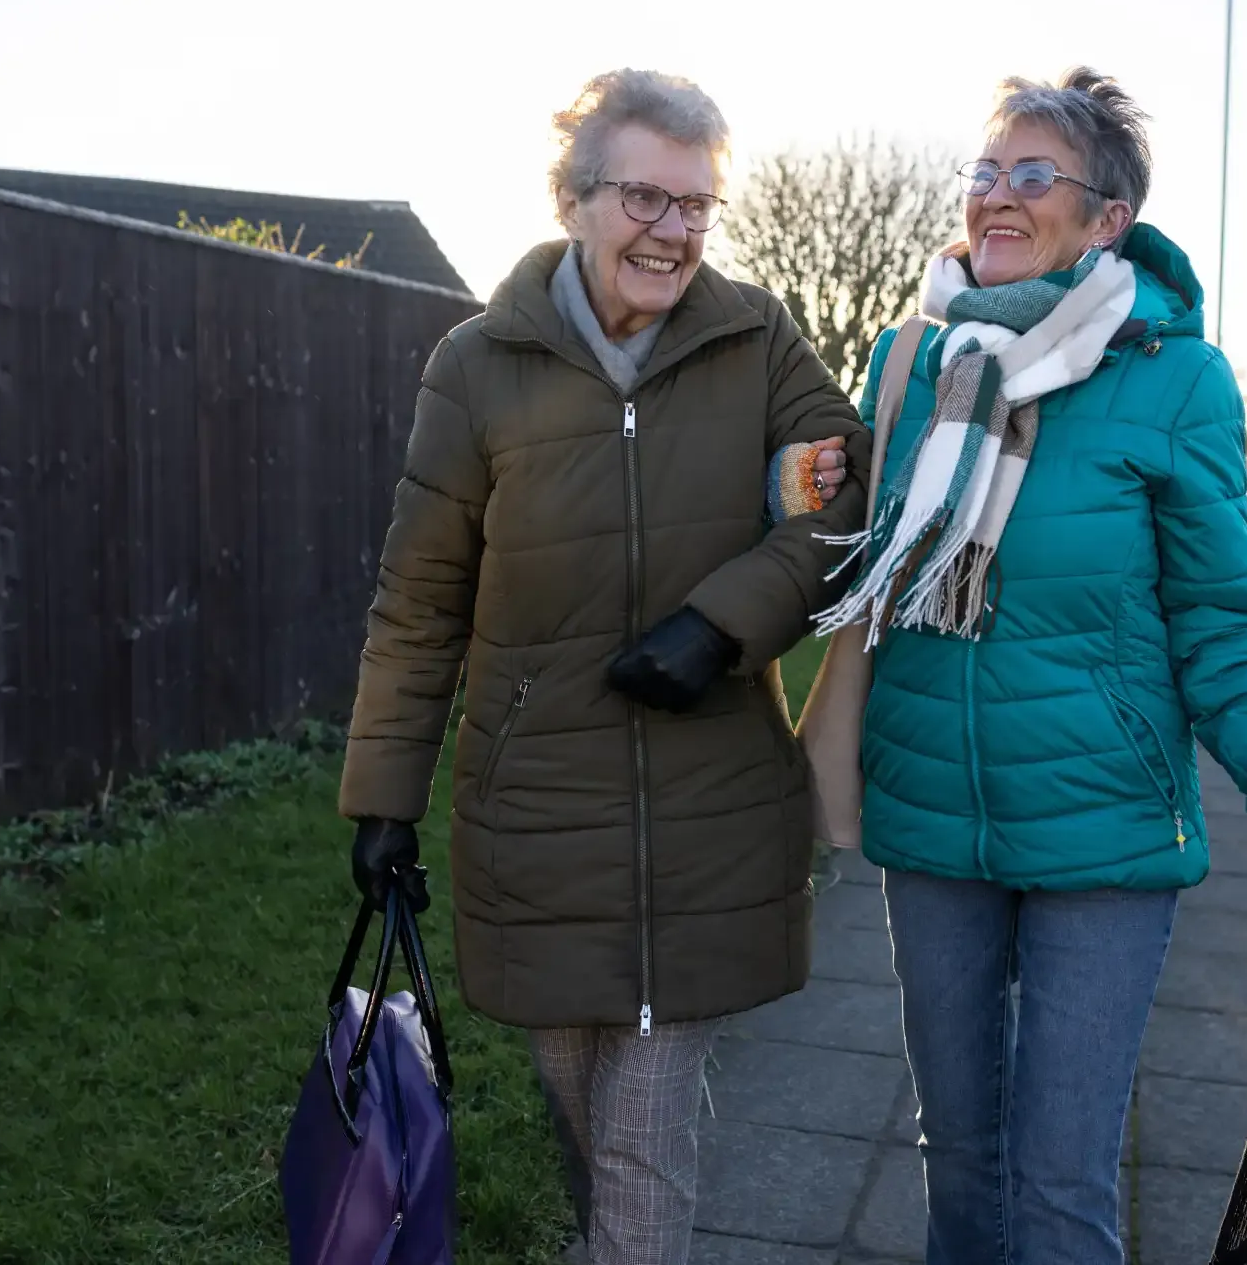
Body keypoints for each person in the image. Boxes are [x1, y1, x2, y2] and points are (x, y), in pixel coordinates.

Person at [808, 67, 1247, 1263]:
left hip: (1102, 831)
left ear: (1106, 218)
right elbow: (865, 543)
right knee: (955, 1158)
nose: (997, 196)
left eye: (1034, 175)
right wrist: (795, 482)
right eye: (984, 171)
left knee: (1060, 1183)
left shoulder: (1175, 379)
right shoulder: (914, 360)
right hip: (930, 814)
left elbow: (1221, 621)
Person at [336, 68, 869, 1265]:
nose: (673, 230)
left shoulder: (757, 339)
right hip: (538, 818)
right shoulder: (475, 367)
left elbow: (841, 507)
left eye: (697, 204)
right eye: (645, 198)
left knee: (639, 1144)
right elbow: (420, 600)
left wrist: (720, 626)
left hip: (712, 811)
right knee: (588, 1119)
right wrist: (383, 800)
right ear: (573, 199)